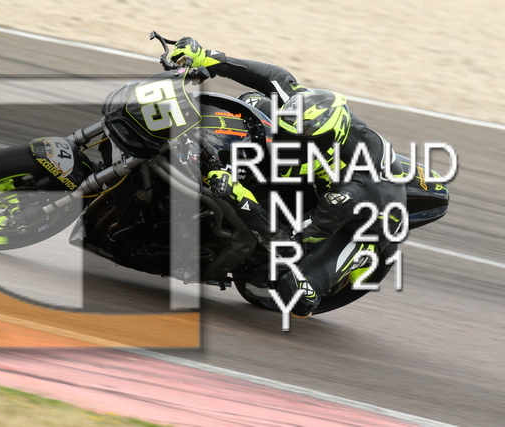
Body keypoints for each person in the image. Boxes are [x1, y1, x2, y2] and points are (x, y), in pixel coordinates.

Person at [170, 37, 407, 317]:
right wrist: (213, 59)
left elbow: (287, 243)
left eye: (295, 145)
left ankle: (342, 266)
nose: (284, 146)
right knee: (253, 103)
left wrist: (238, 196)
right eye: (284, 137)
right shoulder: (310, 111)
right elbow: (277, 78)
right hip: (327, 177)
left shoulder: (347, 193)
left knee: (297, 294)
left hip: (365, 219)